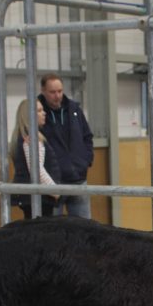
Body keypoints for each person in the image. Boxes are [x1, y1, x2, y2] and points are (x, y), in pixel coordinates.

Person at [37, 74, 94, 218]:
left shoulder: (74, 110)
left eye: (60, 91)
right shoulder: (38, 114)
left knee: (84, 227)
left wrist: (85, 160)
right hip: (53, 183)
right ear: (43, 91)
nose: (57, 96)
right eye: (52, 92)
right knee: (54, 230)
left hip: (78, 178)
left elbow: (87, 136)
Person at [10, 99, 60, 219]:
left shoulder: (22, 136)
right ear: (29, 115)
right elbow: (36, 170)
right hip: (39, 197)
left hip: (33, 196)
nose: (44, 113)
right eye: (39, 110)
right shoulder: (31, 138)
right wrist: (56, 191)